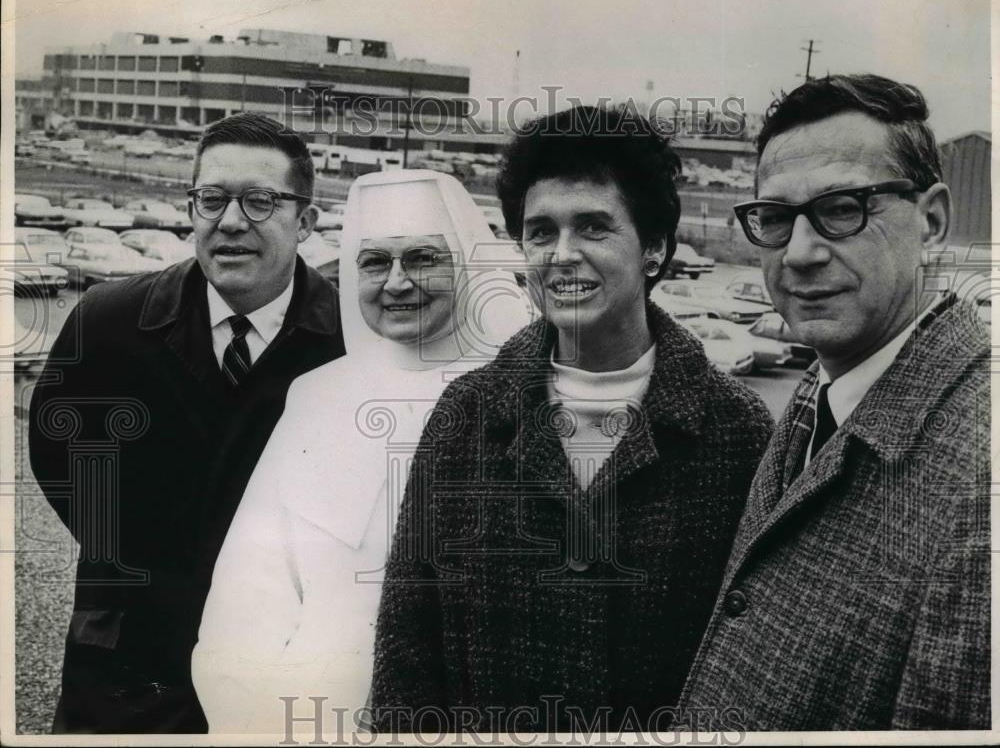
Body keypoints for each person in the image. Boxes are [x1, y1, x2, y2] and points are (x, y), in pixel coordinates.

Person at [370, 105, 774, 733]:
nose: (562, 255)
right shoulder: (465, 417)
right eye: (540, 231)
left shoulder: (739, 432)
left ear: (655, 247)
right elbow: (406, 644)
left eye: (593, 227)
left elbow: (751, 664)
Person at [677, 74, 990, 730]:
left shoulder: (981, 479)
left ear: (932, 222)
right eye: (776, 217)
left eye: (843, 208)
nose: (800, 253)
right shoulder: (819, 392)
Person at [28, 113, 346, 733]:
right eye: (212, 199)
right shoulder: (108, 320)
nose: (231, 222)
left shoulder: (346, 341)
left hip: (279, 661)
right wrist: (135, 557)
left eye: (260, 201)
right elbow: (55, 454)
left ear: (305, 221)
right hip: (123, 659)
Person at [191, 169, 532, 734]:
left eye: (422, 259)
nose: (396, 282)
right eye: (374, 262)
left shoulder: (520, 398)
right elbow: (247, 596)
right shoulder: (319, 395)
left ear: (467, 268)